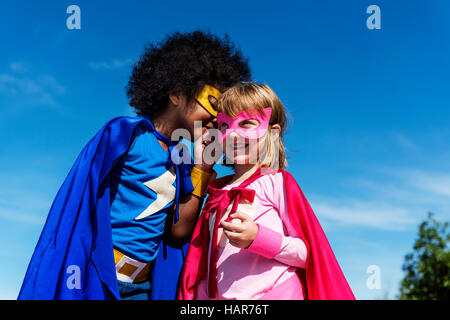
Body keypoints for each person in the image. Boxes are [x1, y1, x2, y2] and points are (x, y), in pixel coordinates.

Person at [18, 30, 251, 300]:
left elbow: (178, 233)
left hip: (143, 288)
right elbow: (82, 202)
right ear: (176, 93)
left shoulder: (185, 161)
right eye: (212, 104)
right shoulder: (125, 135)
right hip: (98, 279)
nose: (215, 119)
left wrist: (203, 169)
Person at [179, 82, 355, 300]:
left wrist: (258, 238)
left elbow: (308, 255)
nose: (233, 134)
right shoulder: (216, 192)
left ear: (272, 134)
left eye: (247, 124)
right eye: (225, 126)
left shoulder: (277, 183)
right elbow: (204, 262)